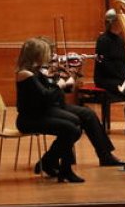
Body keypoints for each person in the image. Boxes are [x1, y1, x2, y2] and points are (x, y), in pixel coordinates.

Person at [15, 38, 86, 183]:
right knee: (70, 129)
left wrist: (62, 81)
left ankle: (48, 162)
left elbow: (48, 91)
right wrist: (59, 85)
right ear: (36, 54)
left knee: (76, 123)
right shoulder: (25, 74)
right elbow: (46, 95)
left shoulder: (35, 71)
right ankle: (64, 170)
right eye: (46, 53)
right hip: (29, 119)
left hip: (41, 113)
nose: (49, 57)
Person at [94, 9, 125, 134]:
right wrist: (123, 78)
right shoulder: (102, 40)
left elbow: (122, 63)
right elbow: (104, 64)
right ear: (111, 23)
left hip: (118, 78)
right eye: (119, 22)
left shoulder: (120, 40)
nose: (121, 25)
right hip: (104, 79)